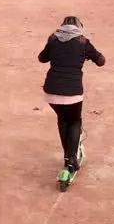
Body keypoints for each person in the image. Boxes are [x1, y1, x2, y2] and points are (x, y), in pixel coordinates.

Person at [38, 16, 105, 173]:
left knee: (63, 121)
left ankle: (67, 158)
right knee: (74, 121)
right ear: (79, 27)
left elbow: (41, 58)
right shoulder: (83, 42)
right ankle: (72, 158)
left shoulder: (53, 40)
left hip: (51, 91)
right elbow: (101, 61)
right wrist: (87, 55)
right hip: (73, 92)